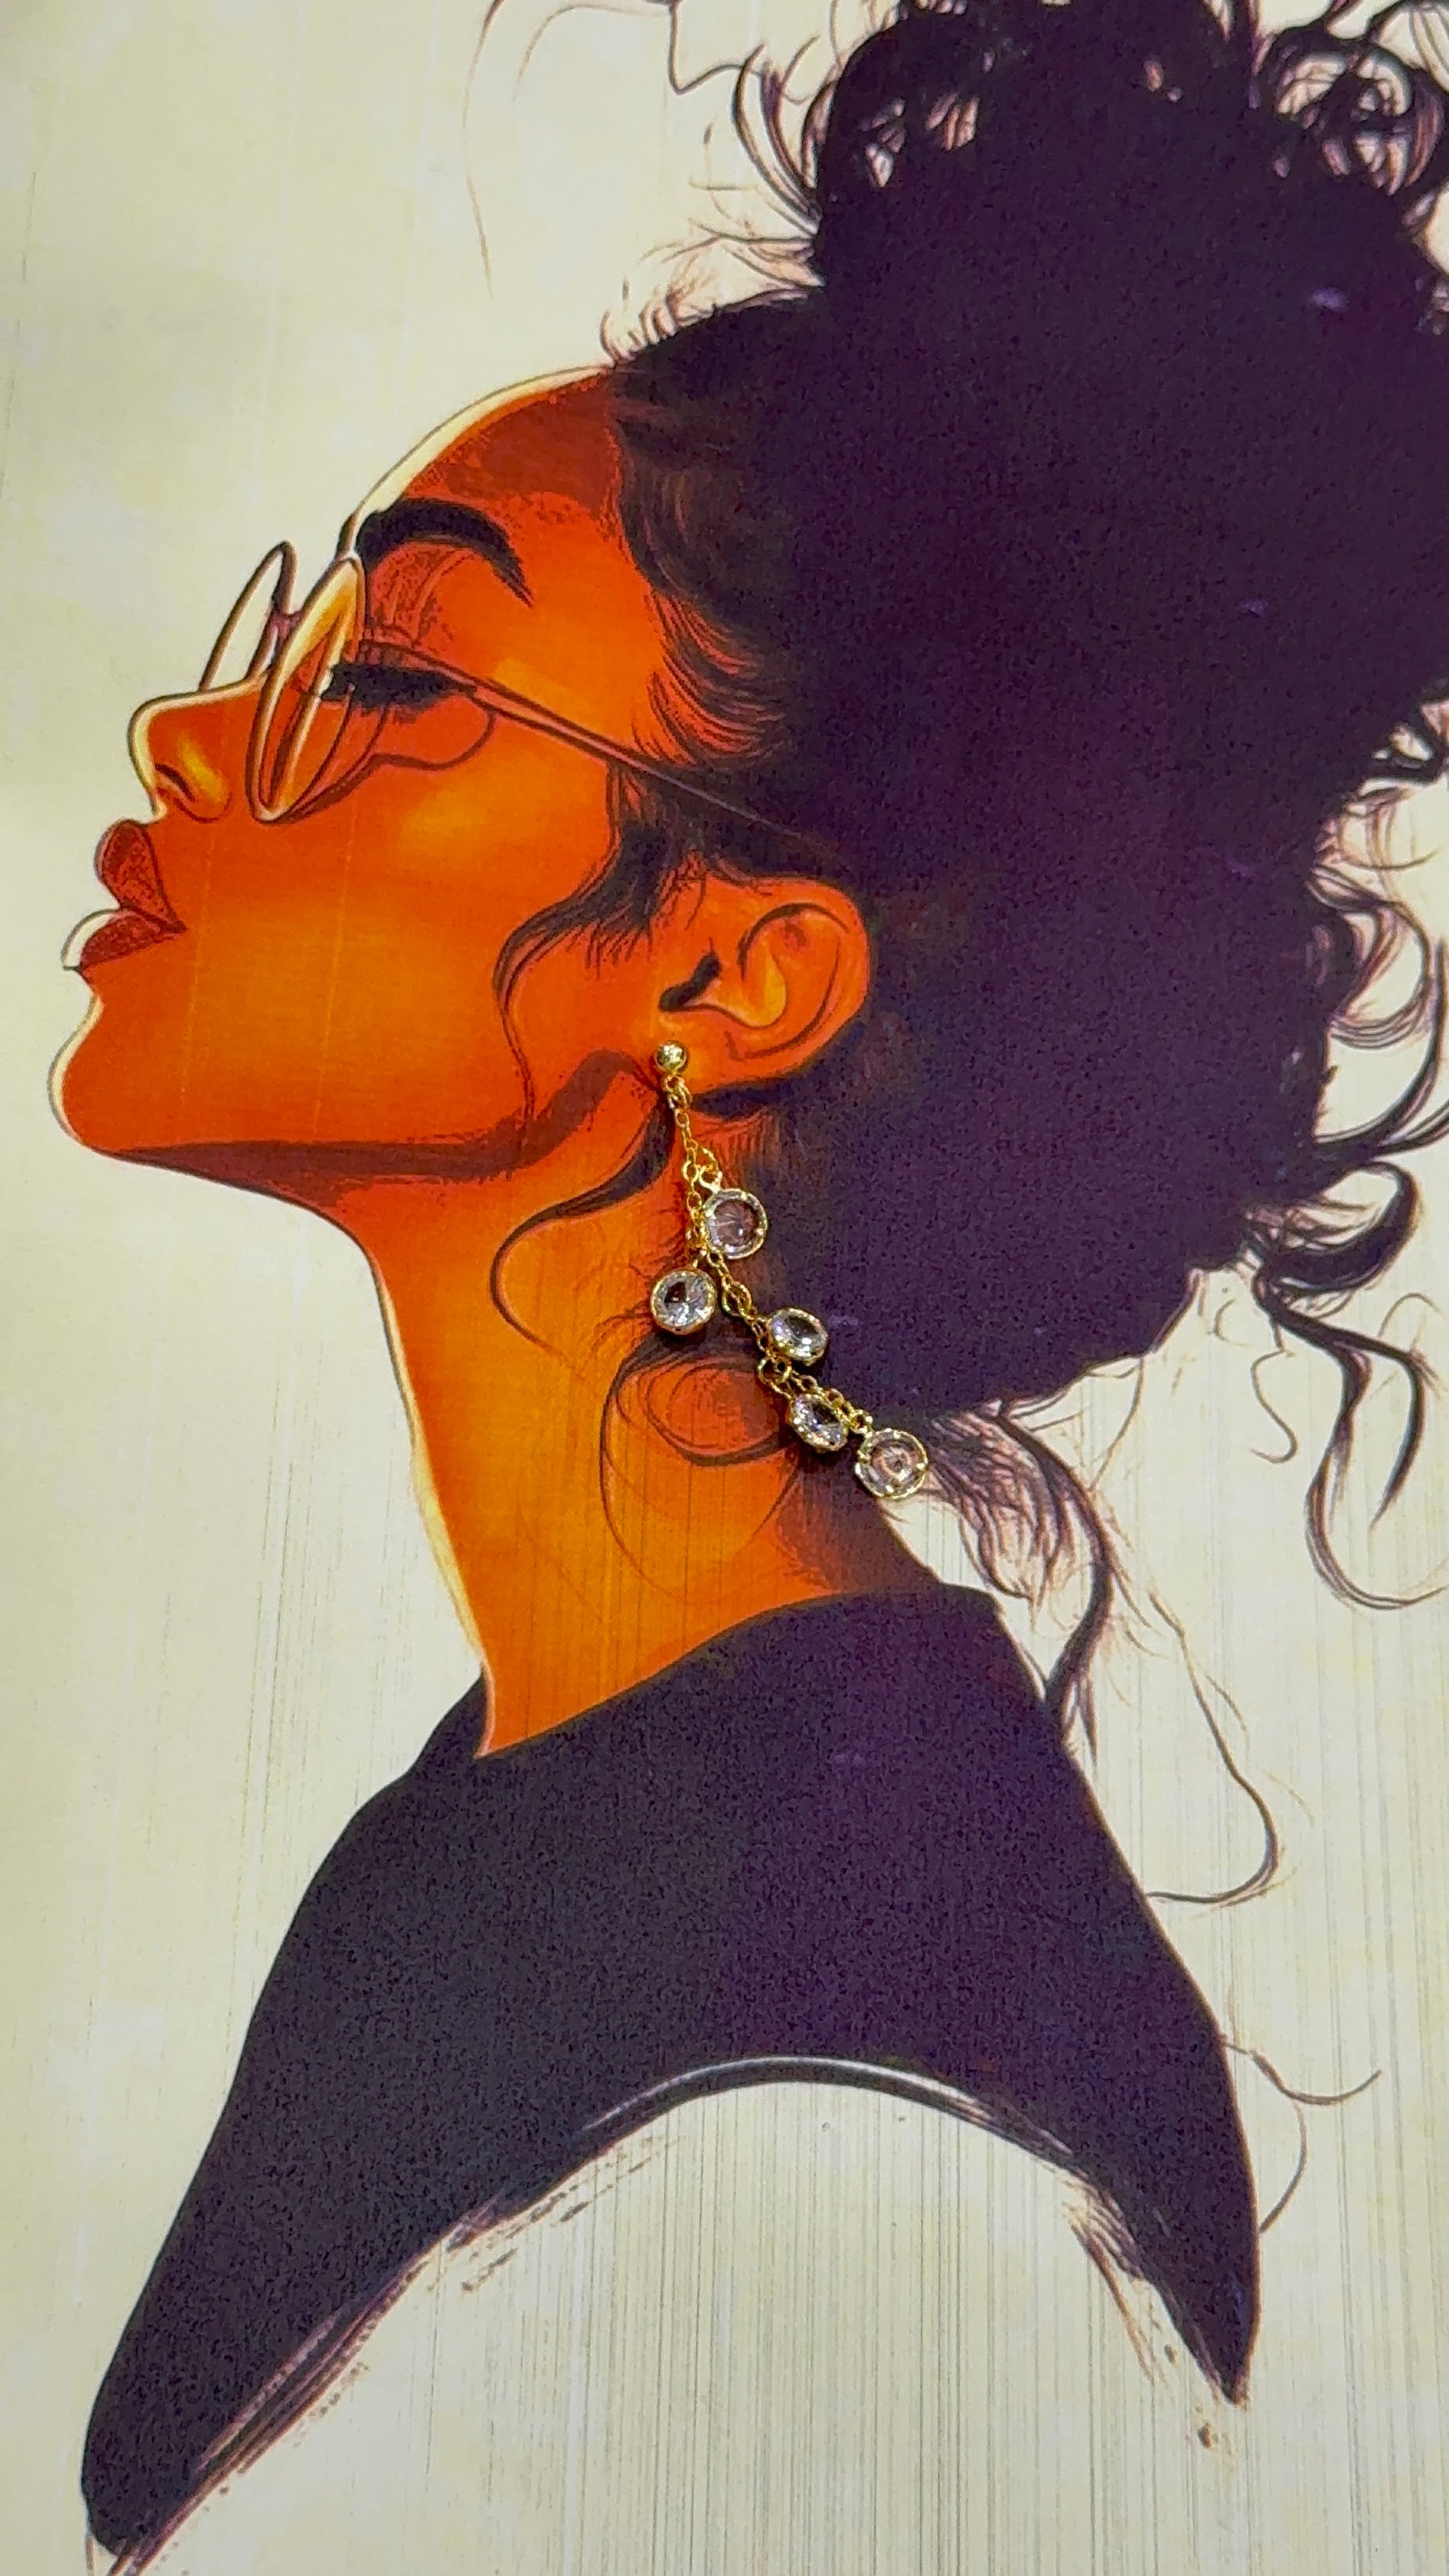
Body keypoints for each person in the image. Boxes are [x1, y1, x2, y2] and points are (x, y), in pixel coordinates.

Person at [57, 0, 1449, 2558]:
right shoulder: (522, 1829)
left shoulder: (842, 2113)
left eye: (386, 686)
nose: (187, 740)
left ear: (735, 970)